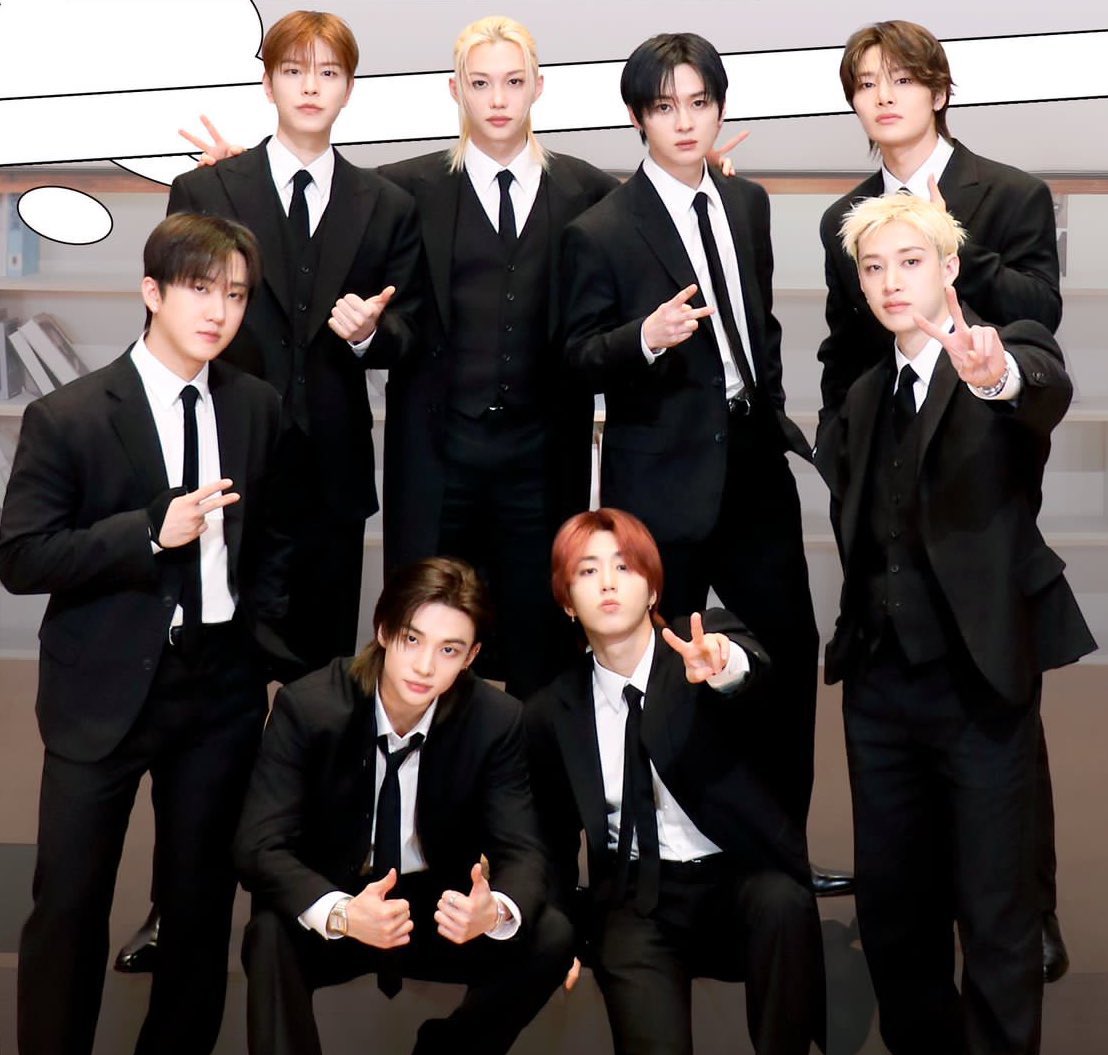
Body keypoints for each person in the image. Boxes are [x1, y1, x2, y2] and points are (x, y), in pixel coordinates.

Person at [0, 212, 288, 1055]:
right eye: (200, 289)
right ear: (152, 292)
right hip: (102, 690)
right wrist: (148, 534)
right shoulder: (69, 415)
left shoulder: (256, 405)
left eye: (235, 294)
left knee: (199, 906)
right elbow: (22, 556)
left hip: (221, 688)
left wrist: (260, 637)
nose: (219, 311)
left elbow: (276, 536)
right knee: (70, 905)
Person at [816, 192, 1094, 1055]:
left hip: (980, 680)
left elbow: (1040, 387)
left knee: (997, 907)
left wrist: (995, 372)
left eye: (909, 262)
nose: (891, 282)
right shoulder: (863, 395)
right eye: (873, 268)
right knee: (895, 910)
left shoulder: (1002, 353)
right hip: (880, 688)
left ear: (948, 268)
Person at [817, 17, 1069, 980]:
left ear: (938, 90)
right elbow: (845, 346)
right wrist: (842, 445)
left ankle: (1026, 908)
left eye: (900, 79)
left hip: (984, 448)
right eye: (865, 83)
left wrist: (943, 237)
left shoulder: (1006, 192)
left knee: (996, 692)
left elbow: (1039, 315)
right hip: (886, 454)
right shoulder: (847, 215)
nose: (882, 97)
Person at [560, 32, 842, 892]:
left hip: (753, 463)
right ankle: (653, 858)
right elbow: (575, 356)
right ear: (638, 118)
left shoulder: (746, 202)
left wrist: (770, 405)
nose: (684, 121)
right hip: (660, 479)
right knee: (654, 669)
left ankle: (781, 857)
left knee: (786, 653)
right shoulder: (602, 228)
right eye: (664, 106)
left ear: (719, 109)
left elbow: (760, 320)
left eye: (699, 103)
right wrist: (644, 337)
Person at [234, 556, 574, 1055]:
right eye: (412, 640)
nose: (424, 666)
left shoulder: (495, 719)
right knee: (271, 933)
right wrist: (342, 912)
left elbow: (524, 849)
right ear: (383, 630)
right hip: (340, 896)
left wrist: (493, 909)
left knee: (551, 934)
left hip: (435, 906)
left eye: (449, 650)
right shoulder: (310, 706)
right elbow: (258, 845)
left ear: (472, 657)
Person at [525, 508, 823, 1055]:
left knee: (784, 904)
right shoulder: (550, 712)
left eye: (624, 567)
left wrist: (725, 667)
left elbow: (753, 670)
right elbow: (551, 839)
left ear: (653, 588)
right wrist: (553, 930)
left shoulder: (696, 650)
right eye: (587, 571)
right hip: (636, 898)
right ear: (567, 602)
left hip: (735, 879)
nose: (608, 583)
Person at [168, 8, 422, 671]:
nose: (311, 87)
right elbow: (171, 323)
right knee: (219, 665)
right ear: (268, 84)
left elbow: (410, 332)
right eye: (292, 71)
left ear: (350, 88)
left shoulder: (386, 203)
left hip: (333, 470)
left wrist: (370, 333)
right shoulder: (207, 188)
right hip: (226, 459)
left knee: (324, 675)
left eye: (328, 73)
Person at [376, 15, 618, 698]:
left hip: (542, 461)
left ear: (538, 87)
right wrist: (235, 169)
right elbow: (315, 197)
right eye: (481, 84)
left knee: (543, 644)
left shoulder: (590, 193)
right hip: (439, 457)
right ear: (456, 90)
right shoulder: (402, 190)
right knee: (431, 634)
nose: (499, 99)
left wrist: (705, 175)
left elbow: (653, 228)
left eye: (513, 82)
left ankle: (533, 771)